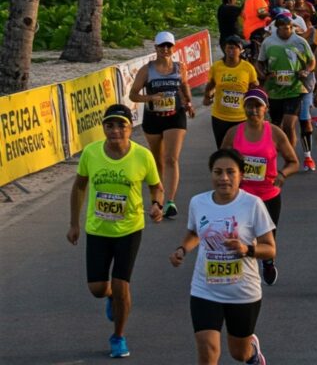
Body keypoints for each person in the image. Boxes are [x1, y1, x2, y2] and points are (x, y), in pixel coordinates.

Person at [68, 103, 164, 359]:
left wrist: (157, 204)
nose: (115, 131)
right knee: (98, 288)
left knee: (122, 286)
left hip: (129, 229)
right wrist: (74, 223)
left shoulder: (143, 156)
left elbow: (156, 187)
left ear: (130, 128)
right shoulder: (91, 153)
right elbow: (79, 187)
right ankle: (110, 295)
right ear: (104, 128)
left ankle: (118, 336)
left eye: (120, 125)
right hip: (98, 229)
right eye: (109, 125)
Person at [169, 148, 274, 365]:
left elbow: (270, 249)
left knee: (239, 353)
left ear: (241, 175)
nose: (223, 178)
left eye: (230, 172)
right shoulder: (198, 202)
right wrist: (182, 249)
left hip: (242, 292)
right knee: (208, 351)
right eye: (218, 172)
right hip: (205, 289)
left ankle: (252, 353)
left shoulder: (253, 204)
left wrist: (247, 249)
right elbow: (194, 233)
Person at [222, 88, 299, 286]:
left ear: (266, 108)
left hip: (268, 195)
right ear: (244, 107)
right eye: (249, 105)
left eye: (258, 106)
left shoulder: (275, 132)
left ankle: (268, 261)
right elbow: (220, 161)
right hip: (241, 195)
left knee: (267, 238)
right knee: (240, 234)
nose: (253, 110)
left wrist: (283, 174)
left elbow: (293, 161)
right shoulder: (233, 133)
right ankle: (241, 272)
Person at [129, 30, 195, 219]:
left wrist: (188, 103)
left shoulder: (179, 67)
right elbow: (133, 94)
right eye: (162, 46)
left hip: (175, 116)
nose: (165, 49)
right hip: (153, 117)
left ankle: (170, 202)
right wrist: (150, 97)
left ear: (173, 48)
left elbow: (184, 86)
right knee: (158, 161)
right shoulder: (146, 70)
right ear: (156, 48)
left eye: (169, 46)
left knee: (171, 159)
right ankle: (158, 198)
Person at [257, 12, 314, 157]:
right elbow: (260, 62)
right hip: (275, 89)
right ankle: (277, 151)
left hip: (294, 88)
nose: (287, 31)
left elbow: (311, 61)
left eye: (289, 28)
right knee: (276, 125)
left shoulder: (300, 41)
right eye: (284, 28)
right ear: (277, 28)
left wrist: (306, 71)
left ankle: (291, 155)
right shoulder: (268, 42)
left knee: (289, 124)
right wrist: (262, 73)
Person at [205, 36, 260, 147]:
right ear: (224, 49)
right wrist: (207, 96)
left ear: (241, 50)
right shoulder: (217, 67)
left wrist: (255, 107)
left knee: (241, 149)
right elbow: (211, 84)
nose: (231, 51)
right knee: (222, 149)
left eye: (234, 48)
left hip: (241, 117)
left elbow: (254, 87)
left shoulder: (248, 68)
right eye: (228, 48)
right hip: (220, 116)